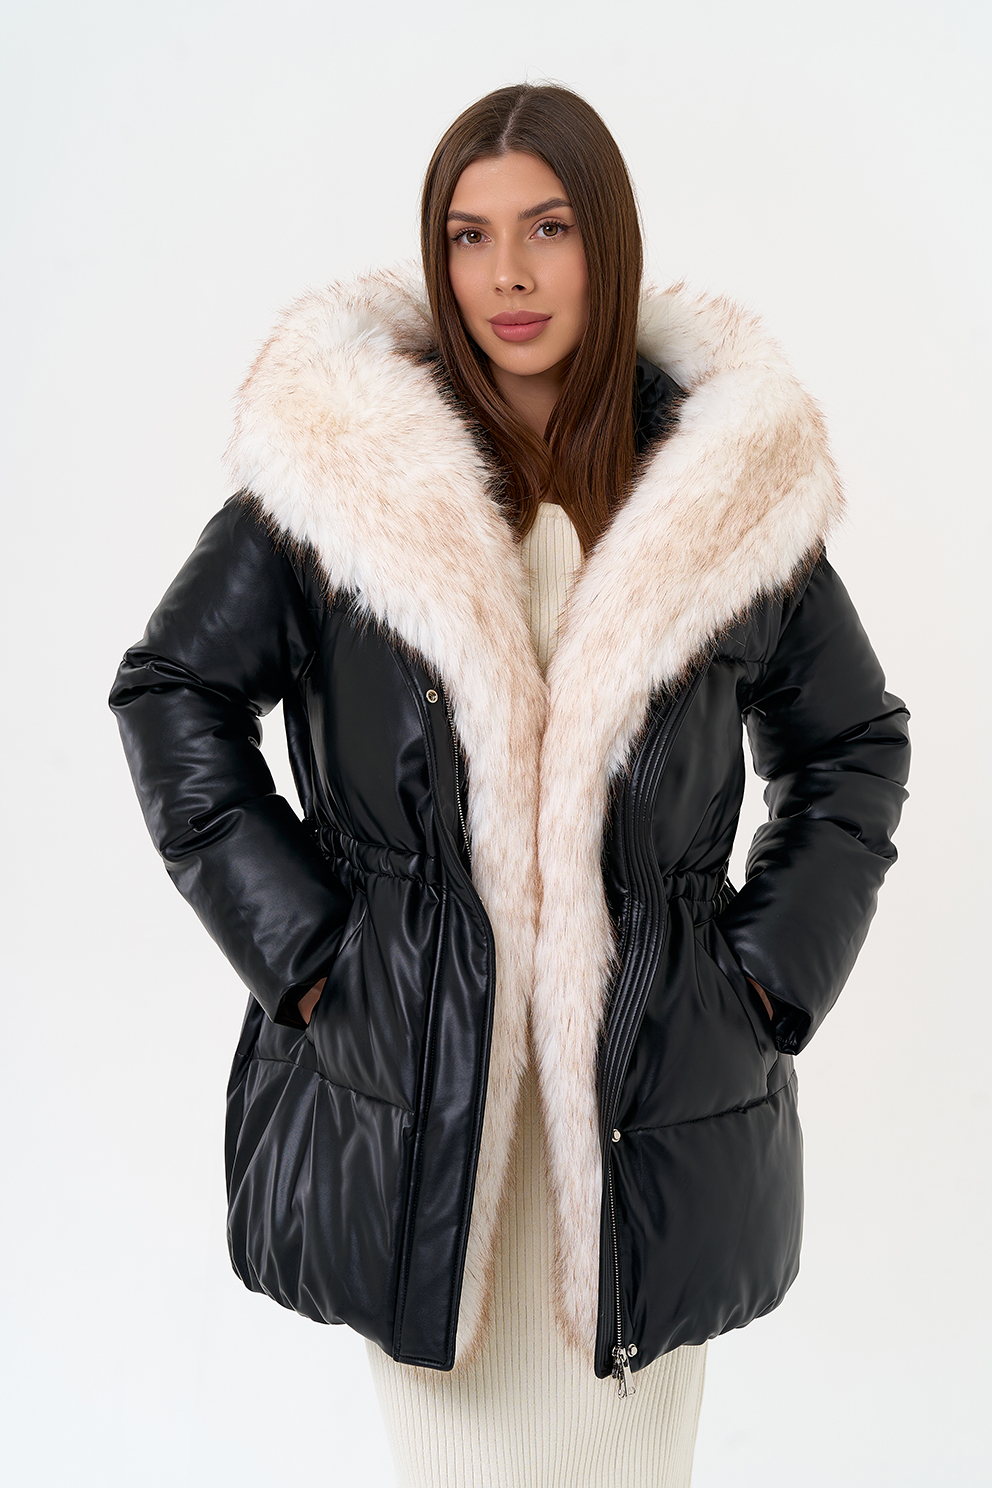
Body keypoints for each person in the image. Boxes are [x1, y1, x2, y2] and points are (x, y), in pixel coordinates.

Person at [109, 82, 911, 1487]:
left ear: (607, 238)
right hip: (421, 1118)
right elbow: (174, 693)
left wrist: (764, 984)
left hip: (652, 1126)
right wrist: (308, 954)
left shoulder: (719, 490)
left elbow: (853, 746)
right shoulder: (348, 478)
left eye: (547, 228)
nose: (510, 276)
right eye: (469, 237)